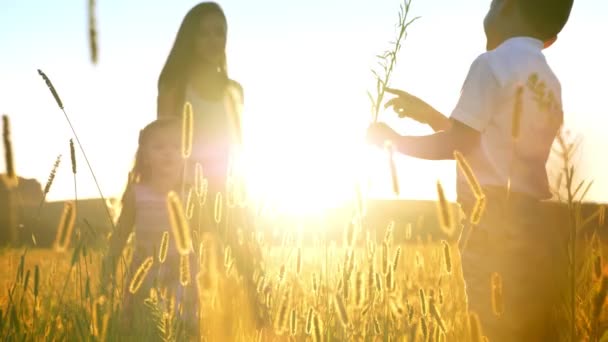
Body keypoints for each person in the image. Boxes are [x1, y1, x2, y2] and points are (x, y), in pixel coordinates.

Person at [366, 0, 573, 340]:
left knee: (491, 327)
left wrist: (395, 141)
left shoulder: (490, 64)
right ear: (550, 39)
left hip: (490, 222)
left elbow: (460, 145)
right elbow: (492, 141)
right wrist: (429, 115)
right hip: (536, 226)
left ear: (507, 6)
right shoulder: (549, 82)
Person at [102, 119, 198, 337]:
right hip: (144, 272)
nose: (168, 152)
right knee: (143, 327)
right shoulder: (137, 194)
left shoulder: (191, 195)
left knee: (182, 328)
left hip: (181, 273)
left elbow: (203, 236)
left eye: (176, 146)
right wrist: (109, 267)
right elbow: (120, 235)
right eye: (159, 146)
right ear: (145, 155)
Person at [157, 1, 243, 210]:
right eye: (204, 33)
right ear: (191, 39)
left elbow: (238, 147)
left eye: (219, 32)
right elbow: (163, 144)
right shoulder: (174, 86)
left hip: (224, 199)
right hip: (183, 196)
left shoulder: (234, 91)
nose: (213, 40)